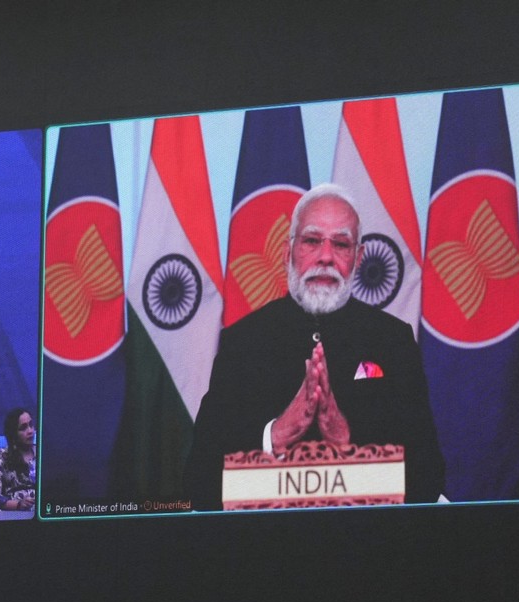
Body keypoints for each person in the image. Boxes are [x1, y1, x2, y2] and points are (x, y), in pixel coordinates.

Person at [184, 182, 444, 507]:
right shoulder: (245, 342)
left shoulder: (392, 341)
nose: (325, 257)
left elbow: (428, 478)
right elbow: (199, 481)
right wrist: (276, 435)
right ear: (287, 252)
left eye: (341, 244)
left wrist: (350, 440)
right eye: (311, 241)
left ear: (359, 257)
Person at [0, 408, 37, 511]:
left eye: (31, 425)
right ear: (13, 434)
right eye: (23, 428)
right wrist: (18, 504)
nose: (30, 431)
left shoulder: (42, 453)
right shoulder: (2, 456)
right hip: (14, 515)